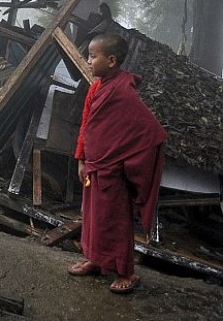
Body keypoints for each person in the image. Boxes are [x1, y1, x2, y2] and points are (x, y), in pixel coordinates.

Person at [67, 33, 167, 294]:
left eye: (92, 56)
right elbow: (87, 125)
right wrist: (81, 158)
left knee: (115, 221)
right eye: (88, 55)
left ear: (111, 60)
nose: (88, 61)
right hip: (94, 166)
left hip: (114, 170)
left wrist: (128, 160)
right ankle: (95, 260)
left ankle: (126, 272)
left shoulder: (124, 92)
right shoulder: (96, 88)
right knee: (92, 217)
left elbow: (150, 131)